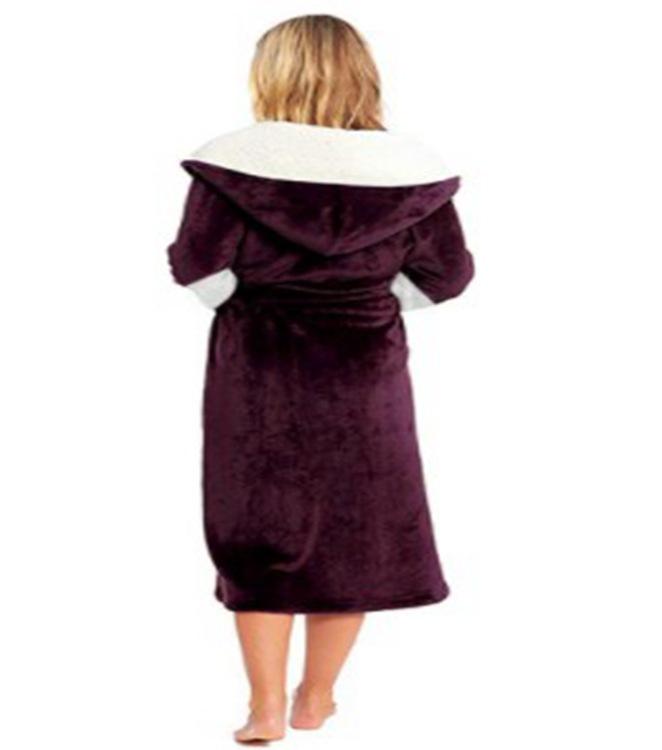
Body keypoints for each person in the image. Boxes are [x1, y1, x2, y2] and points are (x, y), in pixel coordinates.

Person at [166, 14, 475, 744]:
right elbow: (449, 275)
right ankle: (316, 697)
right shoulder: (409, 174)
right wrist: (369, 301)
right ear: (363, 74)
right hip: (366, 376)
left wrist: (253, 300)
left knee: (259, 531)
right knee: (354, 532)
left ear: (269, 73)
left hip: (258, 370)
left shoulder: (231, 167)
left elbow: (198, 267)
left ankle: (265, 708)